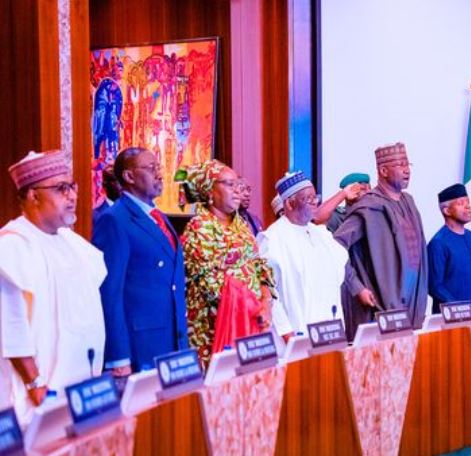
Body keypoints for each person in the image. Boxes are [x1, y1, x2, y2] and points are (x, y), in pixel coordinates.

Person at [0, 150, 106, 424]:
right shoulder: (11, 246)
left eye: (72, 187)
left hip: (83, 389)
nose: (72, 196)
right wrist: (35, 383)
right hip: (41, 393)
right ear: (34, 196)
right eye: (61, 189)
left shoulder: (72, 243)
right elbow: (11, 326)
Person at [92, 147, 188, 378]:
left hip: (172, 338)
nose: (159, 174)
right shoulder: (115, 220)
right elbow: (109, 292)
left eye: (159, 167)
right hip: (140, 345)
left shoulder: (158, 217)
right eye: (151, 168)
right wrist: (118, 355)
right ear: (129, 176)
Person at [179, 159, 287, 366]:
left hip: (252, 323)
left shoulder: (241, 226)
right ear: (209, 191)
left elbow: (260, 267)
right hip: (215, 330)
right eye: (229, 184)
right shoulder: (199, 228)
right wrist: (256, 308)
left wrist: (266, 302)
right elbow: (211, 285)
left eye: (238, 184)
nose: (238, 190)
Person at [334, 142, 427, 339]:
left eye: (408, 164)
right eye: (400, 164)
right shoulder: (369, 206)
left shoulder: (408, 202)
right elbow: (334, 247)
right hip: (380, 307)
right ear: (383, 170)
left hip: (412, 304)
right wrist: (357, 287)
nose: (406, 170)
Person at [256, 171, 348, 334]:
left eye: (315, 197)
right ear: (290, 204)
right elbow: (269, 293)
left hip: (328, 332)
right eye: (308, 199)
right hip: (295, 335)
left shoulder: (321, 234)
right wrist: (286, 333)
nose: (315, 203)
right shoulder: (272, 240)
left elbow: (338, 271)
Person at [427, 184, 471, 321]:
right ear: (446, 210)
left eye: (468, 202)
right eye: (461, 203)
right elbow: (434, 286)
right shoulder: (438, 243)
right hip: (455, 321)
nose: (468, 206)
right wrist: (462, 311)